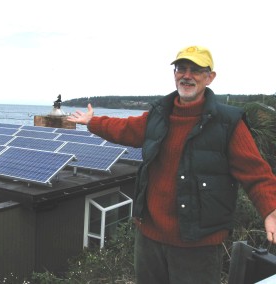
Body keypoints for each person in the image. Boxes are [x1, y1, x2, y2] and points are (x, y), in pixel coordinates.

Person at [67, 45, 276, 284]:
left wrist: (271, 209)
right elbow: (125, 129)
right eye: (181, 68)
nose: (187, 75)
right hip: (149, 238)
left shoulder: (227, 123)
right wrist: (93, 122)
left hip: (198, 243)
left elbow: (255, 172)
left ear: (210, 77)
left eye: (196, 70)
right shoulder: (159, 114)